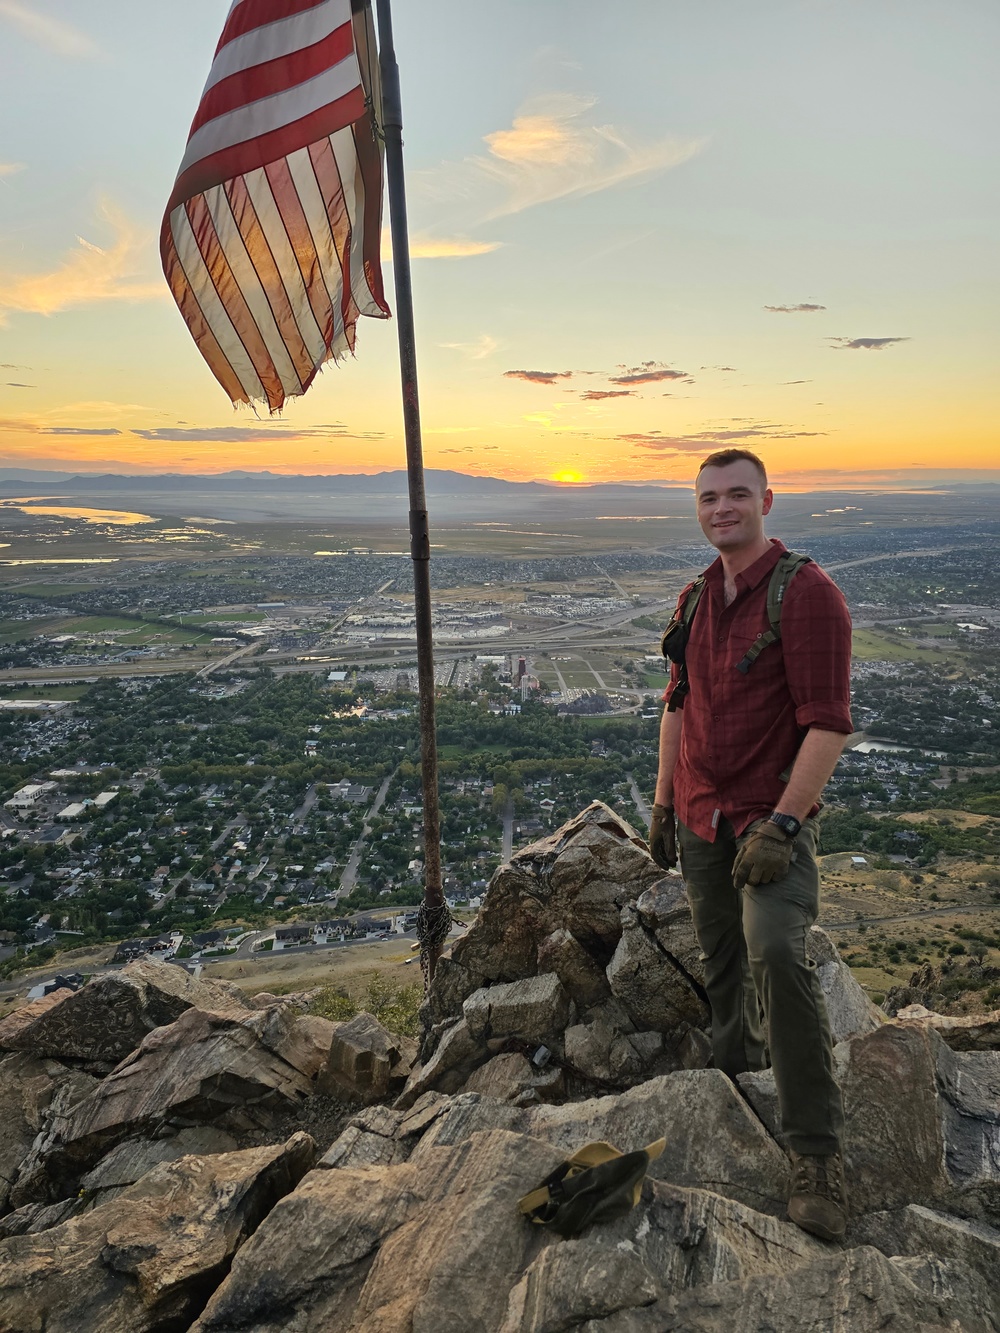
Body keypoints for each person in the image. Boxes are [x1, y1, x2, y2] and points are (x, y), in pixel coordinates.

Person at [648, 447, 853, 1241]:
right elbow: (678, 706)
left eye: (737, 494)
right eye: (709, 497)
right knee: (722, 959)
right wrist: (664, 805)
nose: (721, 508)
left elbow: (828, 721)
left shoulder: (805, 593)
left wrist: (787, 822)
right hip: (702, 812)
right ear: (696, 507)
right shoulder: (696, 597)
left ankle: (816, 1150)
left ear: (766, 498)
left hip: (770, 819)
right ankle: (733, 1074)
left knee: (775, 951)